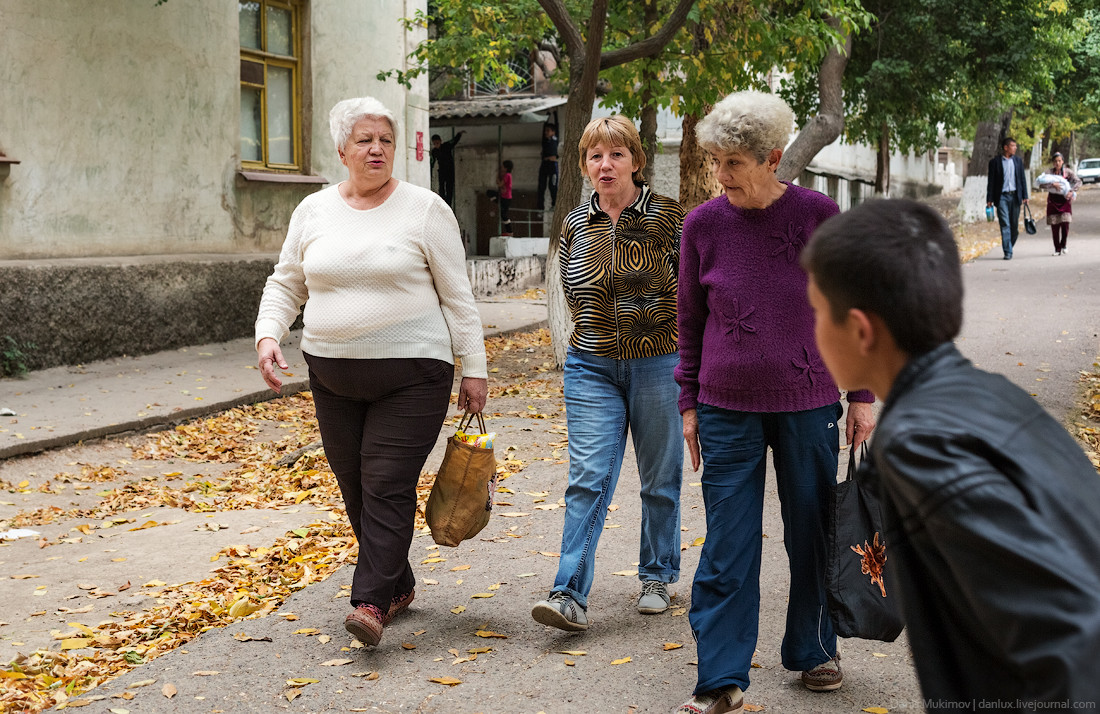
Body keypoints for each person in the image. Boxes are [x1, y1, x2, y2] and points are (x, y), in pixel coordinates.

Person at [802, 197, 1100, 707]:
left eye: (816, 313)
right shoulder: (988, 393)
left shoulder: (920, 443)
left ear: (860, 330)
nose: (812, 331)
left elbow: (1065, 635)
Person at [255, 97, 487, 648]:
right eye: (364, 139)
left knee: (385, 483)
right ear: (342, 150)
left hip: (413, 375)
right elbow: (287, 280)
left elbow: (458, 296)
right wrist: (268, 335)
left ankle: (370, 602)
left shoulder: (425, 209)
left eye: (385, 138)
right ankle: (397, 581)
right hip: (332, 376)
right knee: (354, 484)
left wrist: (473, 368)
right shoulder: (312, 211)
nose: (376, 148)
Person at [674, 90, 876, 713]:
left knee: (811, 531)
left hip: (808, 400)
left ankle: (815, 648)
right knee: (727, 542)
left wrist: (862, 394)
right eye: (714, 162)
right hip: (725, 405)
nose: (720, 176)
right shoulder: (702, 225)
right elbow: (691, 321)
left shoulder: (819, 215)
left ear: (773, 158)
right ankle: (721, 678)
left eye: (733, 163)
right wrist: (688, 402)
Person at [530, 115, 686, 632]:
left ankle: (657, 575)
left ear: (637, 162)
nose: (605, 164)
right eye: (595, 156)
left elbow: (693, 295)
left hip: (659, 363)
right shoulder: (578, 223)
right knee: (588, 479)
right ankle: (569, 592)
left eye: (616, 154)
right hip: (592, 366)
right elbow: (571, 295)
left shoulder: (668, 217)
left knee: (659, 479)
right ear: (584, 165)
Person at [985, 136, 1029, 260]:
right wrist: (989, 199)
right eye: (1013, 146)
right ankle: (1007, 252)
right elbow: (991, 182)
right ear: (1006, 147)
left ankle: (1009, 245)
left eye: (1015, 146)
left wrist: (1025, 196)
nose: (1015, 148)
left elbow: (1022, 179)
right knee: (1005, 224)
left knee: (1014, 227)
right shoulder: (995, 162)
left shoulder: (1018, 161)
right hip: (1002, 197)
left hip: (1015, 196)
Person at [1042, 152, 1082, 256]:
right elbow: (1040, 184)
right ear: (1053, 163)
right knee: (1054, 225)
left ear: (1062, 161)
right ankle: (1057, 248)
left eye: (1059, 161)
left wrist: (1071, 191)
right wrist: (1052, 184)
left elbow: (1078, 181)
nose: (1057, 163)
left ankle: (1064, 244)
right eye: (1055, 161)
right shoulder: (1049, 173)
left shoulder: (1067, 172)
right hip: (1053, 201)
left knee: (1065, 223)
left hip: (1065, 200)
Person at [431, 130, 464, 206]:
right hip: (442, 171)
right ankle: (443, 203)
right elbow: (432, 162)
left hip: (449, 170)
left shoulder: (446, 146)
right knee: (441, 188)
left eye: (437, 143)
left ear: (440, 141)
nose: (436, 145)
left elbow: (453, 141)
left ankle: (448, 204)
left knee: (449, 188)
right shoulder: (434, 151)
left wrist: (459, 134)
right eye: (434, 144)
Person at [537, 122, 559, 210]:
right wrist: (547, 116)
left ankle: (554, 204)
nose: (546, 132)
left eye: (548, 131)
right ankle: (540, 207)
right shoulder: (545, 141)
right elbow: (543, 133)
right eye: (545, 130)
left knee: (552, 185)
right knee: (541, 186)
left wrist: (554, 113)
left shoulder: (555, 139)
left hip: (552, 165)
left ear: (553, 132)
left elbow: (557, 128)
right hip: (544, 164)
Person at [498, 160, 514, 235]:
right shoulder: (507, 175)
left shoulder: (507, 175)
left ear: (506, 168)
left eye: (503, 166)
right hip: (504, 197)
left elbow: (500, 184)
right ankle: (509, 231)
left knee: (504, 214)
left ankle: (510, 231)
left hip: (506, 198)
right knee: (503, 214)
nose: (502, 167)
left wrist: (498, 177)